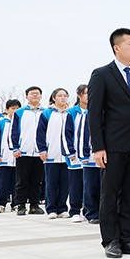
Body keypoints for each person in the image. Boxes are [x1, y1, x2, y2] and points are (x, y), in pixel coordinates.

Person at [88, 28, 130, 259]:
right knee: (110, 192)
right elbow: (94, 114)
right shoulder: (102, 75)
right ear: (117, 47)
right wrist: (98, 147)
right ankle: (111, 240)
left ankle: (127, 238)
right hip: (113, 145)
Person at [37, 88, 77, 219]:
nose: (63, 98)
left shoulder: (69, 113)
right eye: (60, 95)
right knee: (51, 182)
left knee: (65, 182)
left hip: (67, 155)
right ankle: (51, 208)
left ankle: (62, 208)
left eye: (65, 95)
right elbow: (40, 133)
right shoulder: (47, 113)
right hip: (51, 154)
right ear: (54, 98)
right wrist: (42, 149)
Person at [11, 86, 46, 215]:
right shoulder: (20, 112)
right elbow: (13, 131)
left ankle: (34, 205)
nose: (35, 96)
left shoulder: (45, 112)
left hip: (40, 153)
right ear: (26, 97)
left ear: (41, 96)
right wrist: (15, 147)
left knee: (37, 180)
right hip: (23, 151)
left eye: (37, 93)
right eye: (32, 94)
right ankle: (20, 205)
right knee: (22, 180)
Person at [0, 99, 21, 212]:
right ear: (7, 110)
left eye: (17, 108)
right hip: (4, 158)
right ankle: (0, 203)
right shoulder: (1, 123)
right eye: (13, 108)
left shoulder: (21, 121)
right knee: (3, 182)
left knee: (17, 182)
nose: (15, 111)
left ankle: (16, 203)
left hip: (19, 157)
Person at [66, 85, 88, 223]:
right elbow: (66, 134)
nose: (89, 96)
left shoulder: (96, 110)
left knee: (90, 184)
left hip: (90, 154)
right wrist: (70, 151)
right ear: (79, 95)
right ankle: (74, 210)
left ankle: (89, 210)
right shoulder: (71, 112)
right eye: (86, 93)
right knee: (76, 183)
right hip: (75, 154)